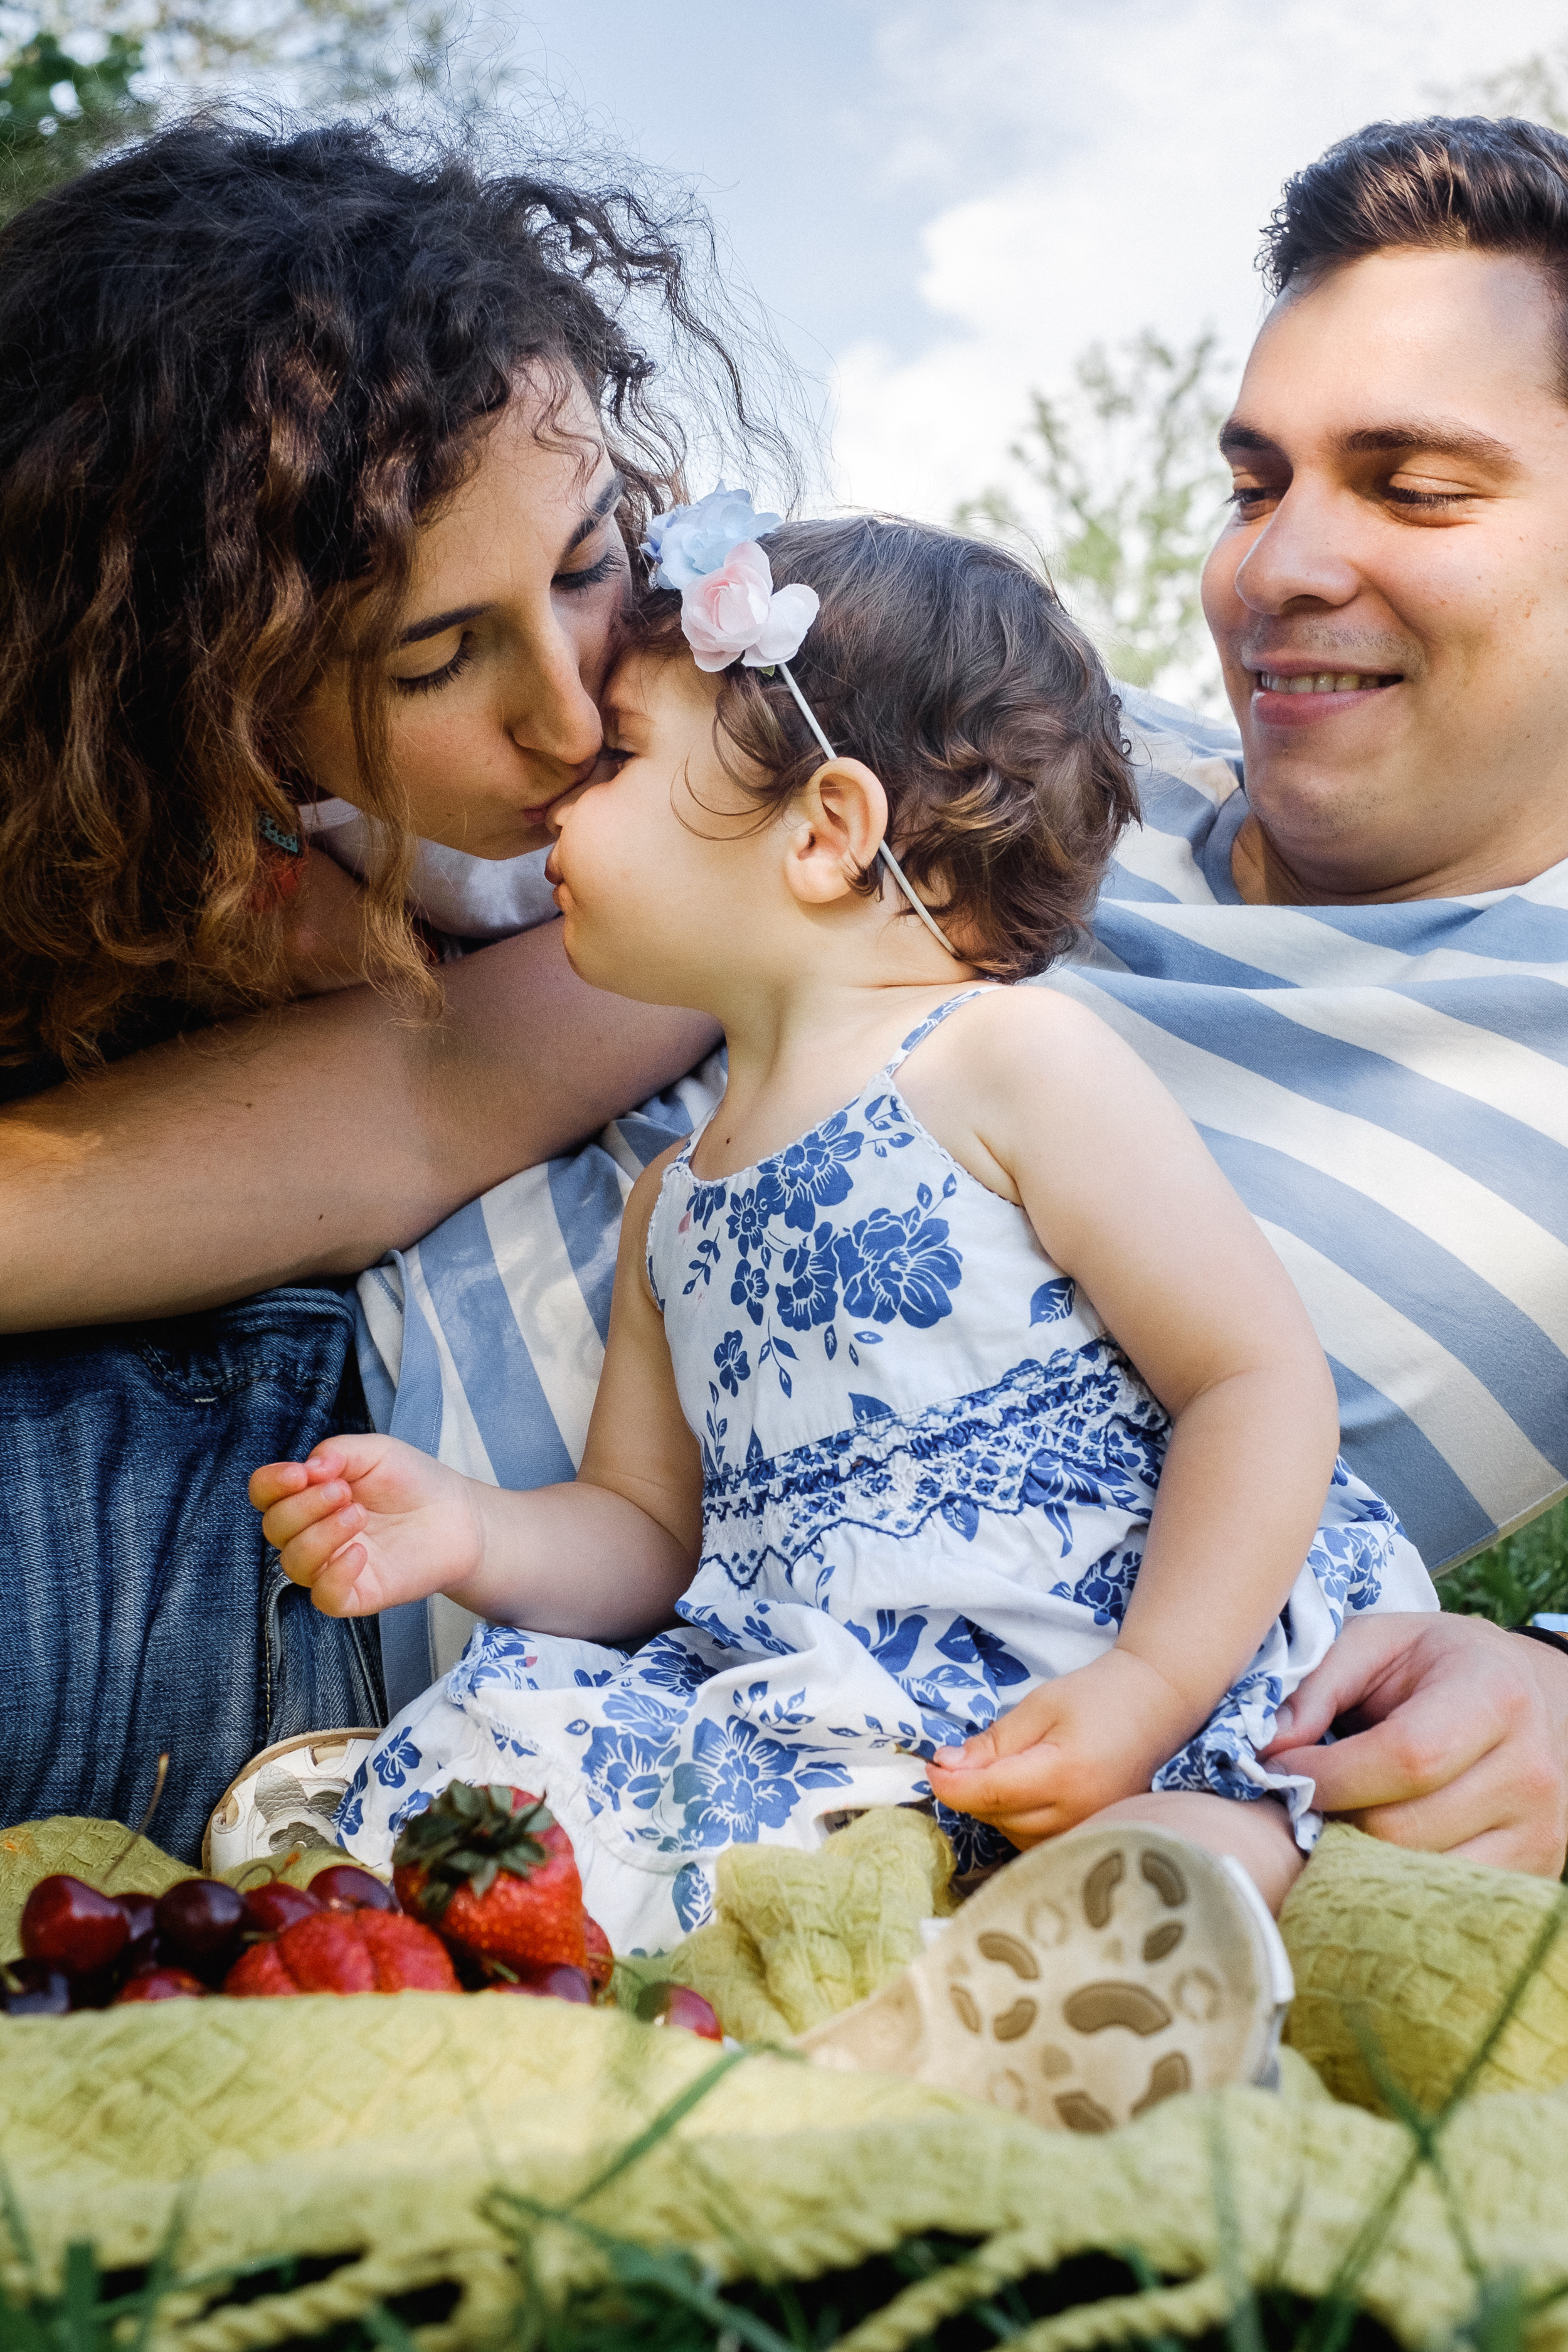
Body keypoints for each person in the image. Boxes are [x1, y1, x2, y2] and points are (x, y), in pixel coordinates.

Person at [6, 114, 1568, 1875]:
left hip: (379, 1618)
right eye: (1254, 481)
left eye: (1414, 484)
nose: (1276, 568)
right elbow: (435, 1093)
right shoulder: (1014, 752)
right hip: (311, 1400)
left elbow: (1243, 1382)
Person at [252, 504, 1439, 1957]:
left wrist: (1148, 1681)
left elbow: (1250, 1381)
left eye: (620, 755)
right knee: (527, 1729)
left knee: (1174, 1858)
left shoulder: (1002, 1062)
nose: (565, 795)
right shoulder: (670, 1206)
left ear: (824, 832)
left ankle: (1093, 1970)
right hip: (837, 1711)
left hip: (1114, 1655)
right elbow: (643, 1533)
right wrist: (471, 1528)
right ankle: (837, 1958)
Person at [0, 117, 763, 1855]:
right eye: (433, 654)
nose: (571, 718)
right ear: (224, 689)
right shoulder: (149, 829)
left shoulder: (726, 717)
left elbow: (462, 1078)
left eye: (582, 561)